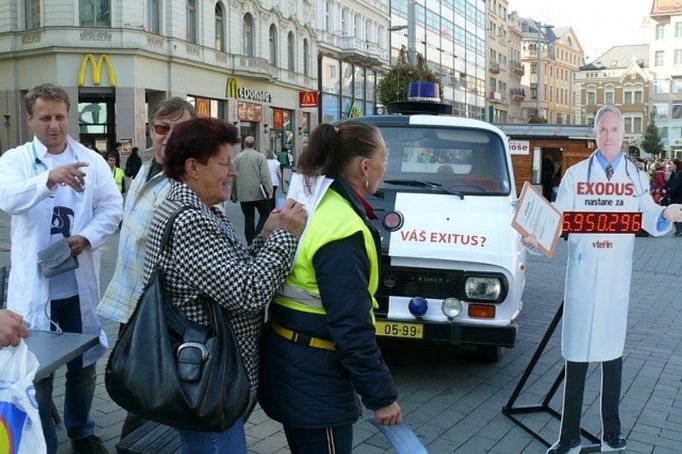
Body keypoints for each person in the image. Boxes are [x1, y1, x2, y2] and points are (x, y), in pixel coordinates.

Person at [522, 105, 682, 454]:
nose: (609, 136)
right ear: (595, 133)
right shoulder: (576, 176)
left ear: (623, 135)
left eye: (614, 129)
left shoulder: (636, 178)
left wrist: (666, 213)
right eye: (603, 129)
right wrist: (535, 239)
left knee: (613, 355)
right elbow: (558, 220)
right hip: (583, 275)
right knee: (577, 356)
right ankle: (569, 438)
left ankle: (612, 434)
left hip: (614, 280)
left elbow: (648, 213)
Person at [141, 117, 306, 452]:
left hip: (206, 375)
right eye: (224, 163)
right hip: (209, 381)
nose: (232, 172)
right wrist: (286, 237)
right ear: (193, 167)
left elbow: (229, 274)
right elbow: (248, 293)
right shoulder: (191, 219)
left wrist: (264, 237)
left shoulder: (198, 208)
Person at [258, 121, 402, 454]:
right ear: (365, 166)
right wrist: (381, 396)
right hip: (316, 377)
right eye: (385, 156)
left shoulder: (313, 204)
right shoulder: (342, 227)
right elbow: (350, 324)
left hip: (291, 361)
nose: (385, 165)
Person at [0, 83, 123, 454]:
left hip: (76, 287)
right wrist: (48, 178)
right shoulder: (16, 160)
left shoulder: (92, 160)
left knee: (83, 370)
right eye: (45, 118)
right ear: (31, 119)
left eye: (60, 117)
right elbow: (7, 198)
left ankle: (82, 431)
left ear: (69, 116)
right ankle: (46, 442)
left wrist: (85, 237)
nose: (54, 125)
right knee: (38, 373)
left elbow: (112, 208)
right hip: (34, 293)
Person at [97, 97, 196, 438]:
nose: (168, 137)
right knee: (137, 392)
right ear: (150, 130)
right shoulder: (146, 169)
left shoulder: (190, 179)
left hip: (162, 315)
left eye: (179, 129)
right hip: (135, 307)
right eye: (161, 128)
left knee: (147, 399)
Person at [231, 136, 273, 244]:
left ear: (244, 144)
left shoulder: (237, 158)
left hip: (243, 193)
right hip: (259, 193)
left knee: (248, 218)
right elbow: (265, 176)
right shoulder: (260, 157)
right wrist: (269, 190)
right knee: (265, 214)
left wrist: (233, 194)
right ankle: (258, 236)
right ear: (254, 144)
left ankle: (250, 242)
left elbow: (233, 177)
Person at [665, 159, 682, 235]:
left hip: (679, 196)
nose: (670, 165)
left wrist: (669, 191)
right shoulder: (673, 173)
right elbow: (668, 183)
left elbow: (677, 185)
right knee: (675, 212)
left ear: (676, 165)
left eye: (671, 164)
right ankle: (679, 229)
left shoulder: (680, 173)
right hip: (673, 196)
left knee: (677, 212)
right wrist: (663, 188)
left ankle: (679, 229)